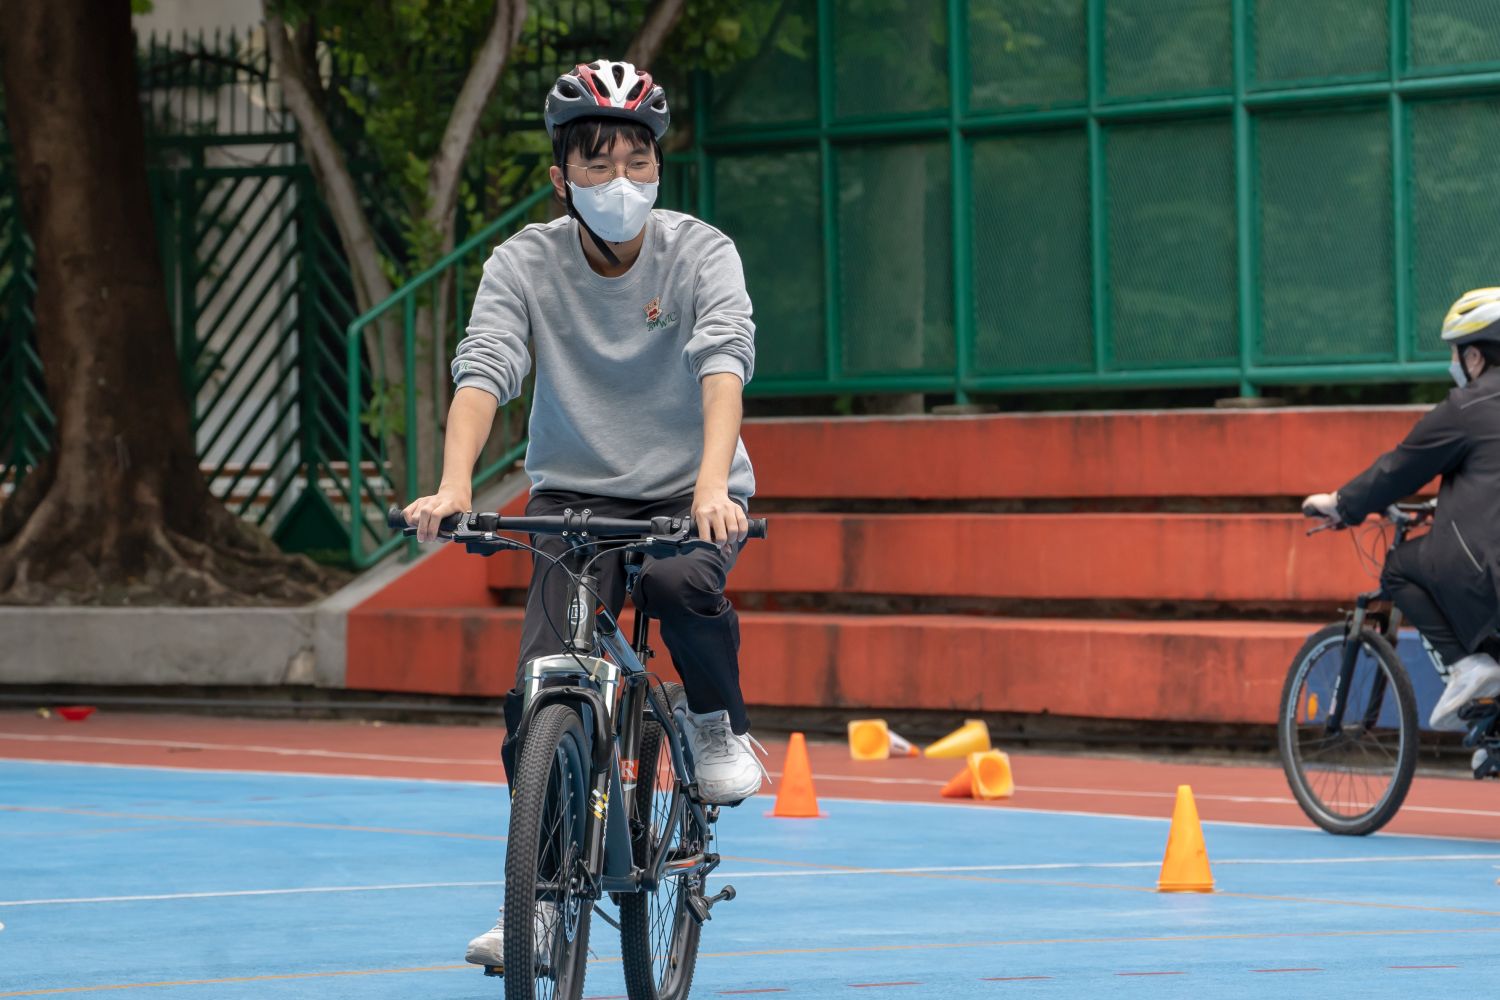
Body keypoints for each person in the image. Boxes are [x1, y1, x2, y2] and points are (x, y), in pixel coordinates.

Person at [399, 58, 766, 971]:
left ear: (659, 165)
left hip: (690, 488)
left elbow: (724, 363)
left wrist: (713, 488)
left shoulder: (702, 252)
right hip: (573, 494)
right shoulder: (522, 263)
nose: (620, 182)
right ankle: (533, 903)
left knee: (684, 582)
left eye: (637, 159)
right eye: (596, 164)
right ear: (561, 178)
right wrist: (453, 488)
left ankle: (718, 725)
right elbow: (485, 369)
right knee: (542, 685)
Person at [1304, 287, 1500, 732]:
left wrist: (1341, 505)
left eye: (1456, 354)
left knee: (1400, 567)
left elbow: (1399, 469)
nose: (1455, 365)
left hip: (1488, 572)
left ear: (1474, 356)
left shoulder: (1468, 407)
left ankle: (1468, 667)